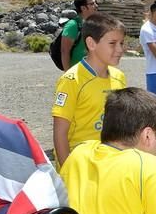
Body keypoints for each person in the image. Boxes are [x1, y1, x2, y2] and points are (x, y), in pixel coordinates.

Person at [52, 13, 126, 168]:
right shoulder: (72, 80)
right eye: (113, 43)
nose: (120, 49)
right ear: (91, 44)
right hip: (81, 165)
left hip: (109, 164)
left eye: (122, 43)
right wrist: (68, 172)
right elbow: (60, 133)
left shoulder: (119, 77)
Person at [61, 0, 98, 71]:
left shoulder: (93, 23)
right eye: (92, 4)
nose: (96, 6)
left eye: (95, 3)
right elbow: (65, 51)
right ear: (83, 8)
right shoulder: (73, 25)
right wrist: (68, 75)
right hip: (77, 73)